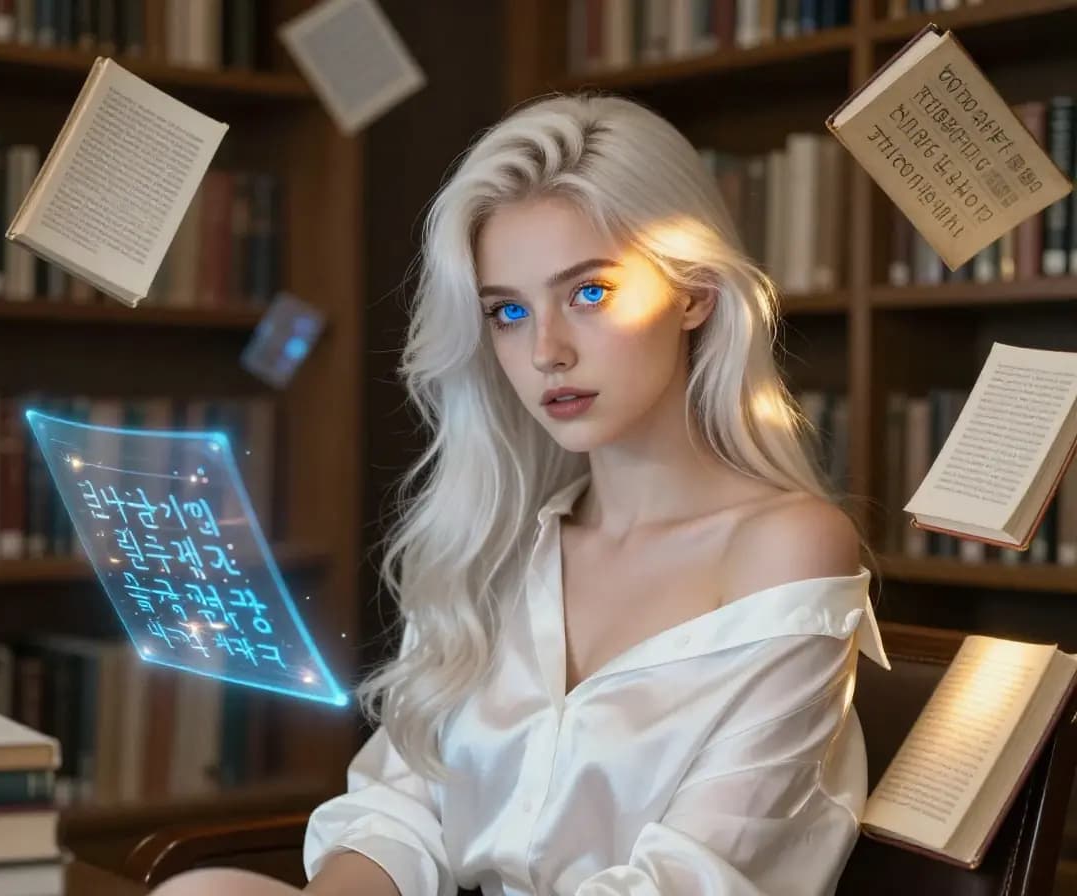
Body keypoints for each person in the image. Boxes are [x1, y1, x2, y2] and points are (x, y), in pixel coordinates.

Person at [151, 91, 891, 896]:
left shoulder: (786, 544)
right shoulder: (493, 544)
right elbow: (399, 810)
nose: (546, 351)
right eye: (507, 311)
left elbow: (700, 875)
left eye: (590, 293)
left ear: (694, 292)